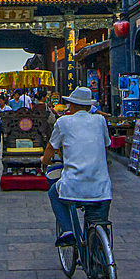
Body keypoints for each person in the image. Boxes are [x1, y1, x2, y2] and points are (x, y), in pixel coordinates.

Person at [40, 87, 111, 247]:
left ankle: (68, 231)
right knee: (99, 223)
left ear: (71, 106)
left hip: (73, 186)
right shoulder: (100, 121)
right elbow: (107, 143)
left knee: (53, 194)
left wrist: (45, 161)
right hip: (101, 187)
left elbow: (51, 148)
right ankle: (102, 261)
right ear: (89, 107)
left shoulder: (63, 121)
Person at [0, 94, 11, 162]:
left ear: (4, 101)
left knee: (5, 139)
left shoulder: (8, 108)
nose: (0, 103)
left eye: (1, 101)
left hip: (5, 126)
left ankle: (5, 152)